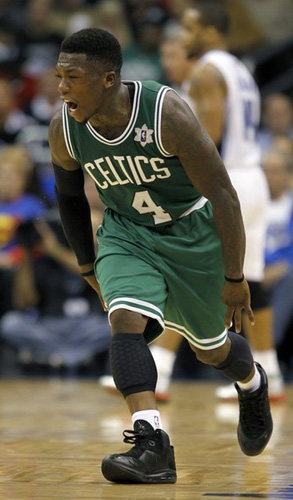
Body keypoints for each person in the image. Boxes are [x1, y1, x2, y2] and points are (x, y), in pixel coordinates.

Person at [49, 27, 273, 484]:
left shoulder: (166, 112)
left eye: (72, 77)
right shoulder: (64, 128)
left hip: (192, 234)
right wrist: (87, 264)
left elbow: (224, 195)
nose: (61, 88)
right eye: (58, 76)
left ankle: (253, 383)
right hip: (127, 233)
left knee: (212, 351)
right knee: (125, 319)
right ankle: (151, 443)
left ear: (108, 79)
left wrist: (234, 277)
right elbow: (69, 196)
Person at [179, 1, 284, 402]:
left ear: (208, 31)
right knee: (252, 277)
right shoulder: (241, 67)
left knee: (192, 271)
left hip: (227, 181)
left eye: (188, 29)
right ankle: (268, 367)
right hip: (253, 175)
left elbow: (208, 138)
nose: (184, 37)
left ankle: (225, 371)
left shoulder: (206, 71)